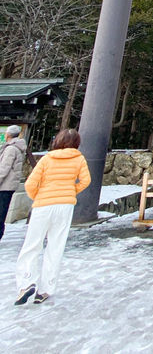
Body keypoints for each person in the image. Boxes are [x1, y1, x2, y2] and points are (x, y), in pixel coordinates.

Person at [14, 128, 90, 306]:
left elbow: (30, 183)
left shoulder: (47, 158)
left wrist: (38, 196)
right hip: (65, 205)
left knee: (32, 245)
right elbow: (86, 181)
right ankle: (46, 289)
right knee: (55, 246)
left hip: (43, 204)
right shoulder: (79, 158)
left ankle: (26, 282)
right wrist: (70, 192)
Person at [0, 125, 27, 241]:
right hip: (9, 185)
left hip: (4, 185)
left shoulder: (11, 149)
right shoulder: (17, 147)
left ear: (9, 135)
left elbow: (4, 168)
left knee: (0, 214)